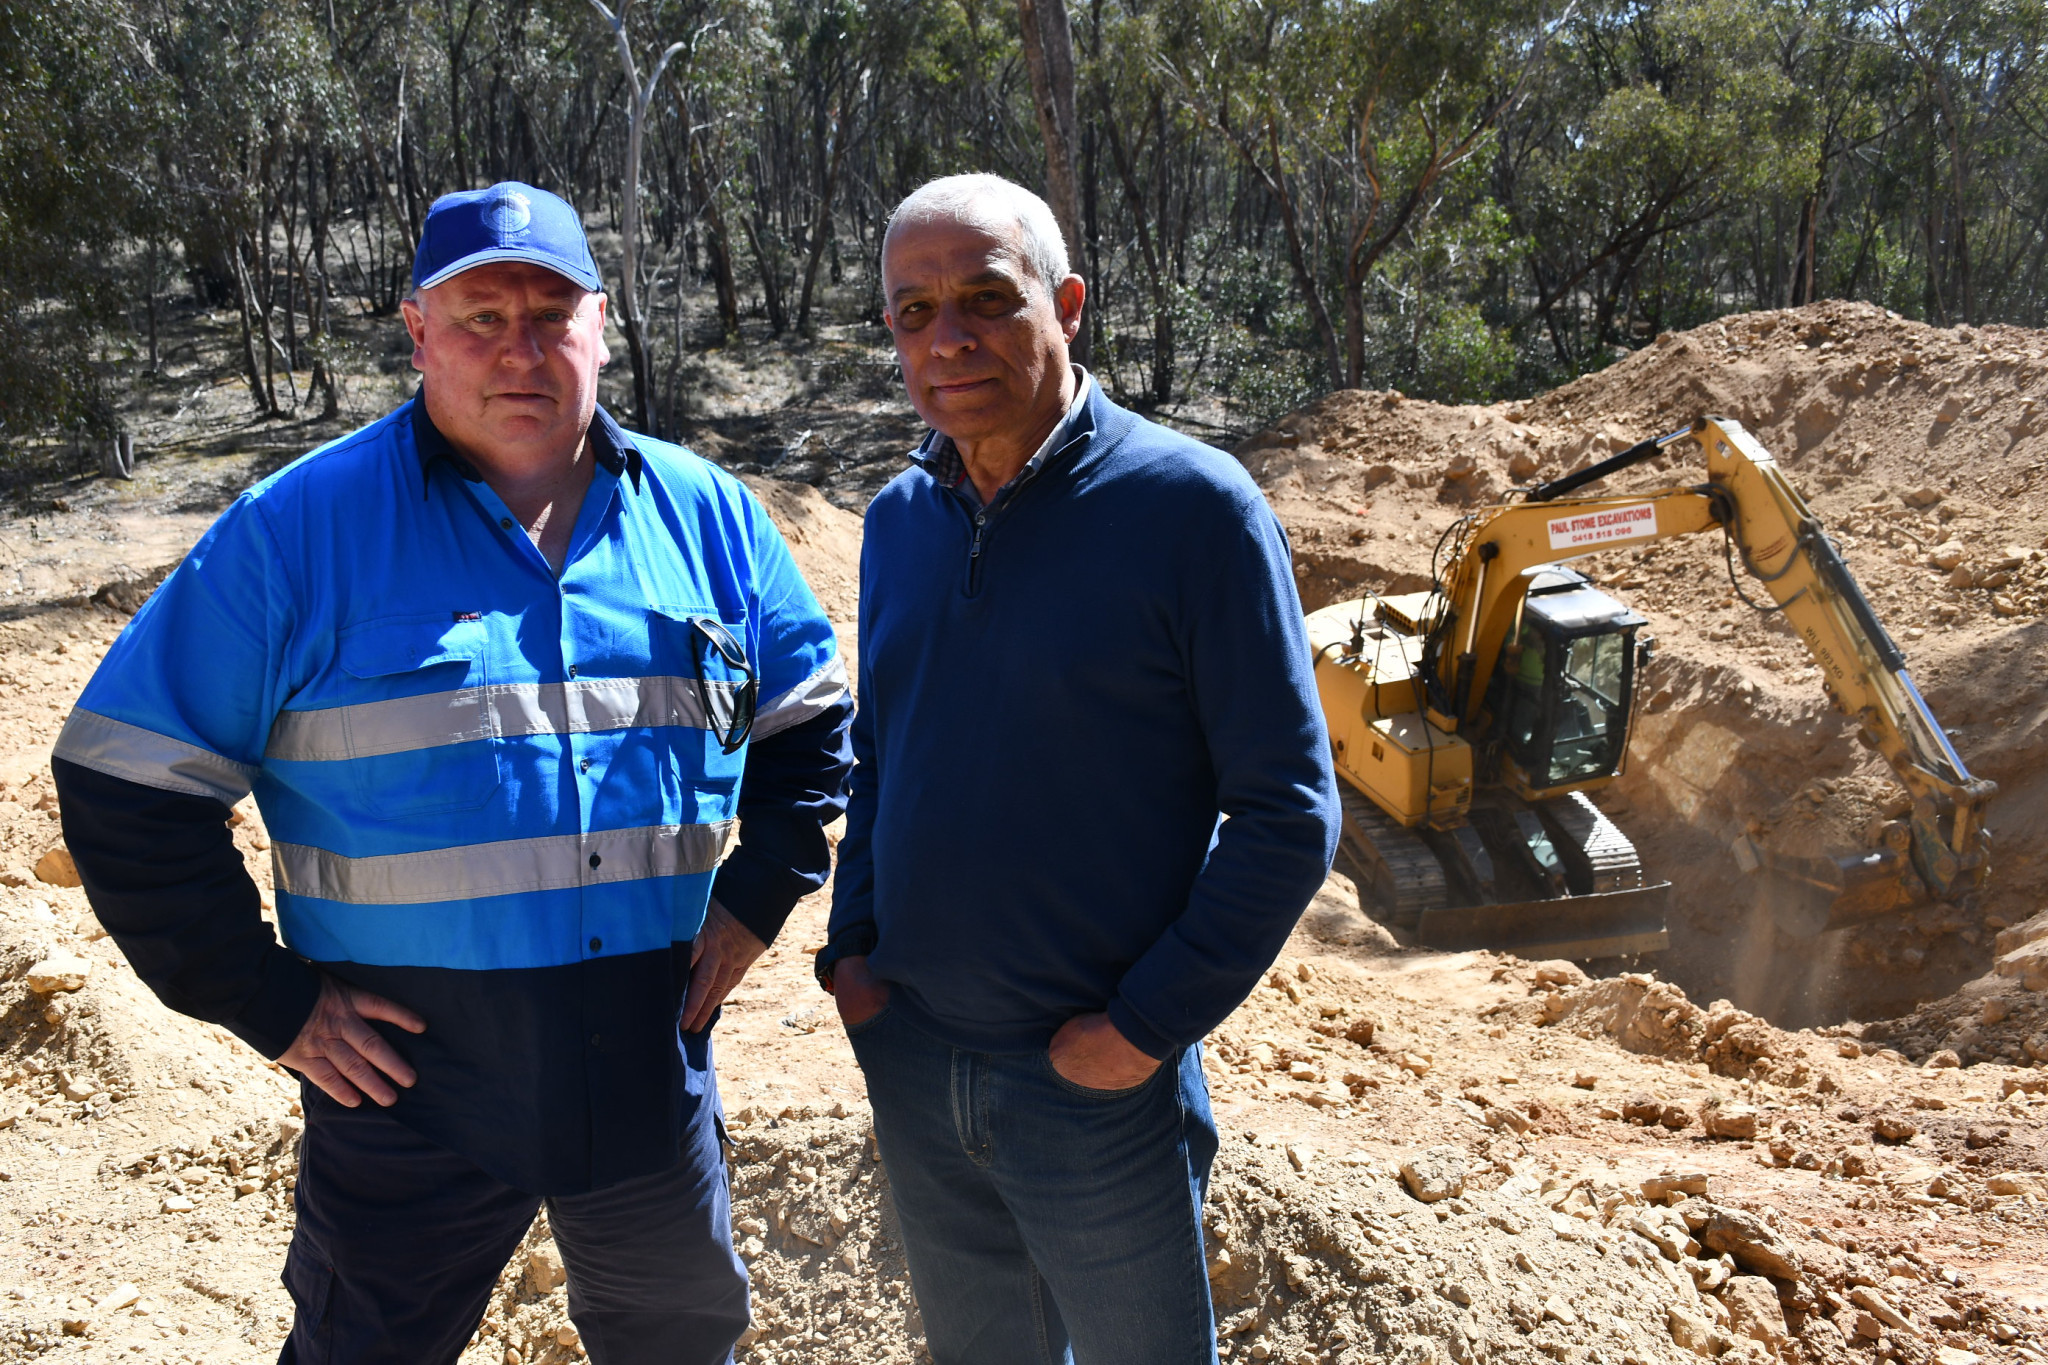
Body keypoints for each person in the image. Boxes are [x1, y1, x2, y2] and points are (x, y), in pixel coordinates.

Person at [53, 182, 852, 1365]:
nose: (521, 349)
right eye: (481, 316)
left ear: (601, 323)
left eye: (552, 312)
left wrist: (754, 898)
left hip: (645, 1052)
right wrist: (268, 1002)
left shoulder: (709, 520)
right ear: (417, 332)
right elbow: (124, 784)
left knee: (681, 1337)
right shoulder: (299, 531)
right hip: (408, 1082)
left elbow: (809, 726)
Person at [816, 173, 1339, 1365]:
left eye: (985, 300)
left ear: (1067, 303)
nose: (946, 339)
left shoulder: (1192, 510)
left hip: (1093, 1086)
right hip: (911, 1053)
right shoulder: (899, 519)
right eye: (911, 312)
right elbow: (882, 753)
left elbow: (1287, 812)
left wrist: (1140, 1032)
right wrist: (851, 956)